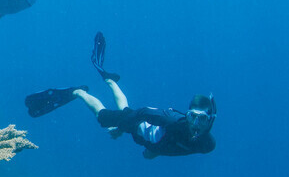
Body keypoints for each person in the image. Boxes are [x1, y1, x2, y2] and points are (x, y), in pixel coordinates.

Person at [25, 32, 216, 159]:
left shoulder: (207, 145)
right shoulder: (173, 120)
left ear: (210, 121)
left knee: (125, 109)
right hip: (136, 124)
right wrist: (120, 128)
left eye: (202, 119)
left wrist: (153, 151)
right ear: (186, 114)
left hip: (142, 136)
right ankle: (79, 92)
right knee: (104, 118)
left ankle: (109, 80)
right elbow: (143, 112)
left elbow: (173, 144)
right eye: (192, 116)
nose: (195, 124)